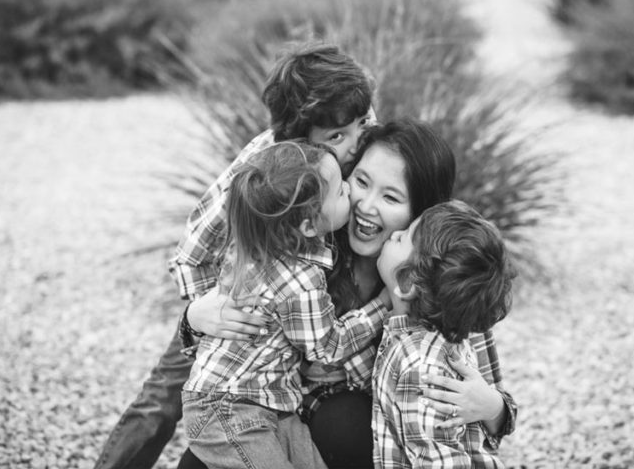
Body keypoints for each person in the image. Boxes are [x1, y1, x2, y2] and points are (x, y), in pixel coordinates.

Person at [94, 41, 376, 469]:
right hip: (232, 301)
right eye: (337, 136)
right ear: (297, 139)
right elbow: (193, 251)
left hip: (292, 315)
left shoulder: (359, 138)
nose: (355, 142)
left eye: (361, 123)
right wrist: (206, 312)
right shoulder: (263, 163)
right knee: (160, 403)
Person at [185, 119, 518, 469]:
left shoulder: (446, 286)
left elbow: (491, 417)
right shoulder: (307, 248)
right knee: (198, 459)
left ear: (422, 213)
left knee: (342, 421)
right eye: (360, 182)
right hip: (277, 415)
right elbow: (226, 359)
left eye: (390, 197)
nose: (365, 205)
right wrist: (192, 319)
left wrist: (493, 407)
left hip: (364, 439)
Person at [183, 141, 391, 469]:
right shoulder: (300, 278)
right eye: (340, 191)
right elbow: (329, 348)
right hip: (228, 408)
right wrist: (382, 304)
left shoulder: (256, 241)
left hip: (269, 405)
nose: (349, 189)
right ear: (308, 226)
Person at [372, 200, 515, 468]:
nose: (393, 235)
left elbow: (439, 461)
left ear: (407, 282)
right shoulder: (425, 341)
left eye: (401, 239)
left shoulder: (420, 368)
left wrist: (497, 408)